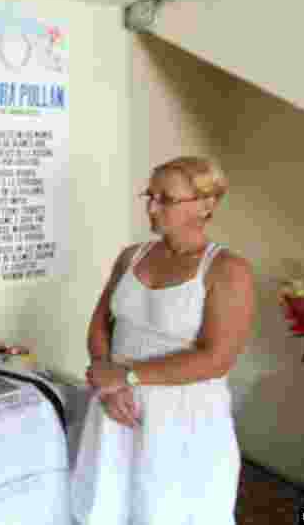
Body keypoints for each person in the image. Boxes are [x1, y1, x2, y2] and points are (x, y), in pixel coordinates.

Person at [70, 156, 256, 524]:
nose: (152, 208)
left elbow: (217, 358)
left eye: (165, 199)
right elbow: (101, 324)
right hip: (116, 405)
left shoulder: (228, 270)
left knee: (169, 510)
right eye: (149, 196)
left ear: (206, 204)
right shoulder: (131, 256)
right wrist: (109, 383)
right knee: (107, 504)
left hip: (184, 416)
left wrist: (128, 377)